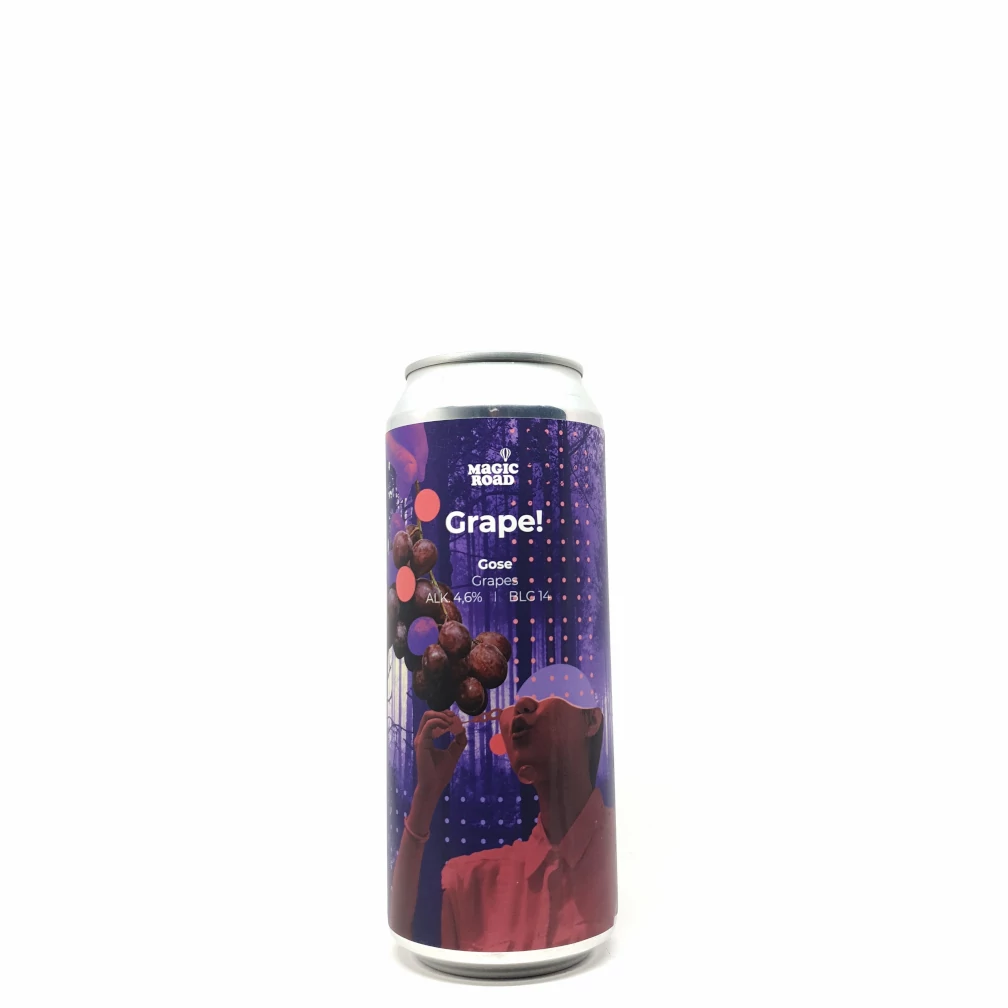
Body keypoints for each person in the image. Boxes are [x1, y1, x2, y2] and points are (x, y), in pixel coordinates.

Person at [390, 672, 617, 951]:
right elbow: (408, 933)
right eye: (516, 702)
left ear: (592, 720)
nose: (521, 706)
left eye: (552, 690)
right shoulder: (468, 882)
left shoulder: (622, 848)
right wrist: (426, 794)